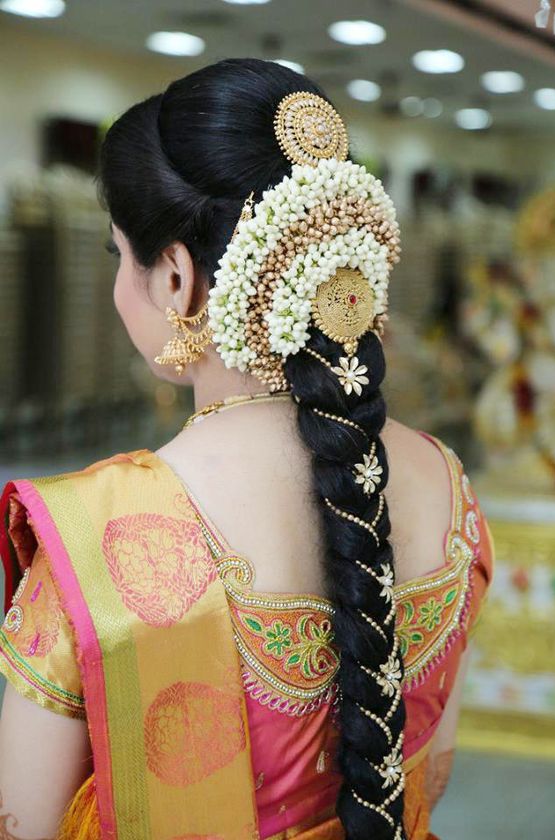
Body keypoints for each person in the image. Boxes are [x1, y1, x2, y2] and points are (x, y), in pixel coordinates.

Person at [0, 58, 494, 840]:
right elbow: (427, 774)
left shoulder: (100, 538)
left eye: (116, 255)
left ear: (175, 278)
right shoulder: (445, 481)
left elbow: (21, 822)